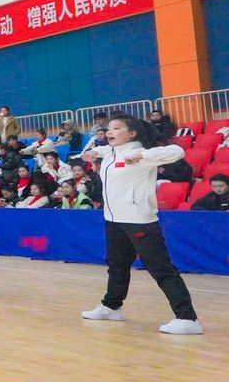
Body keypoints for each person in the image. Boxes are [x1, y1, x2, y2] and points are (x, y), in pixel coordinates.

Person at [79, 113, 202, 335]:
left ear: (132, 133)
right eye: (109, 128)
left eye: (117, 128)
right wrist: (93, 153)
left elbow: (177, 151)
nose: (110, 132)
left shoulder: (142, 153)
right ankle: (111, 306)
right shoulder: (110, 151)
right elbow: (103, 150)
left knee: (160, 268)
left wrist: (142, 156)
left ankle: (187, 318)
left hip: (139, 221)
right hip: (113, 220)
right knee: (117, 265)